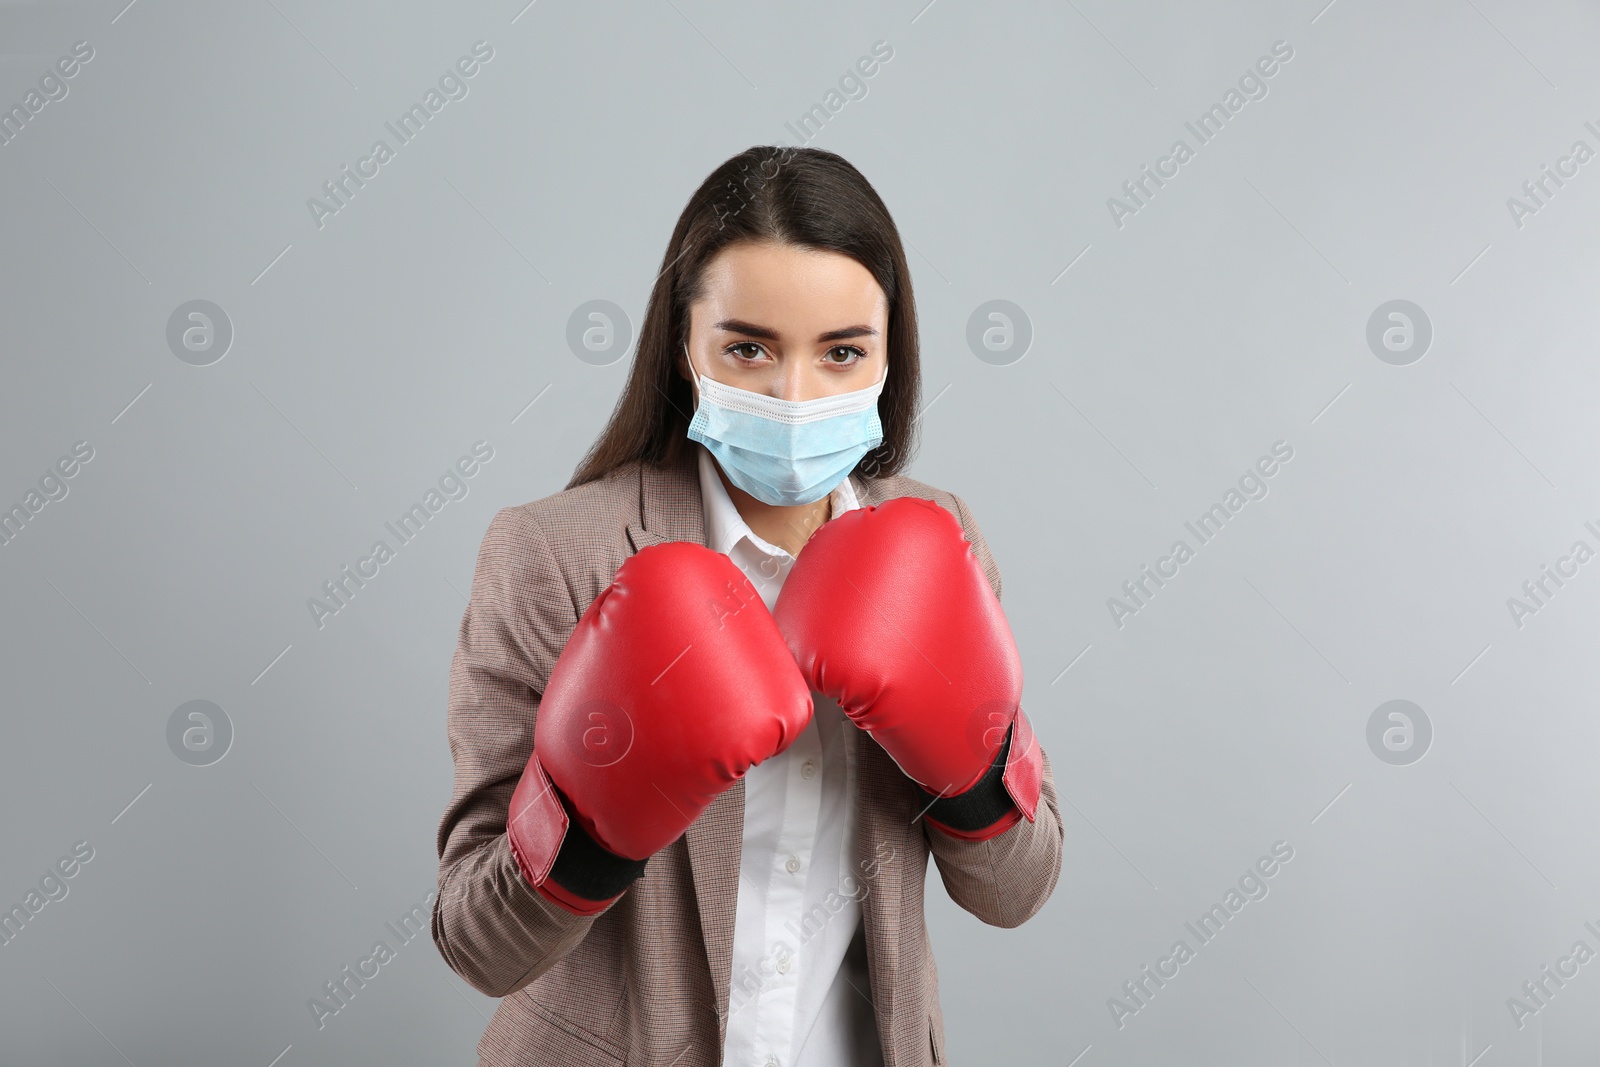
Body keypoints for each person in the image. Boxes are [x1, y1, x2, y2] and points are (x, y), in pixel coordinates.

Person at [432, 145, 1063, 1067]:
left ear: (893, 357)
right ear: (685, 346)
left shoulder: (935, 536)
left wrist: (970, 767)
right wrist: (593, 817)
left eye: (843, 351)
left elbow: (1019, 888)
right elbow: (477, 940)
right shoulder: (553, 554)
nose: (795, 394)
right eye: (749, 347)